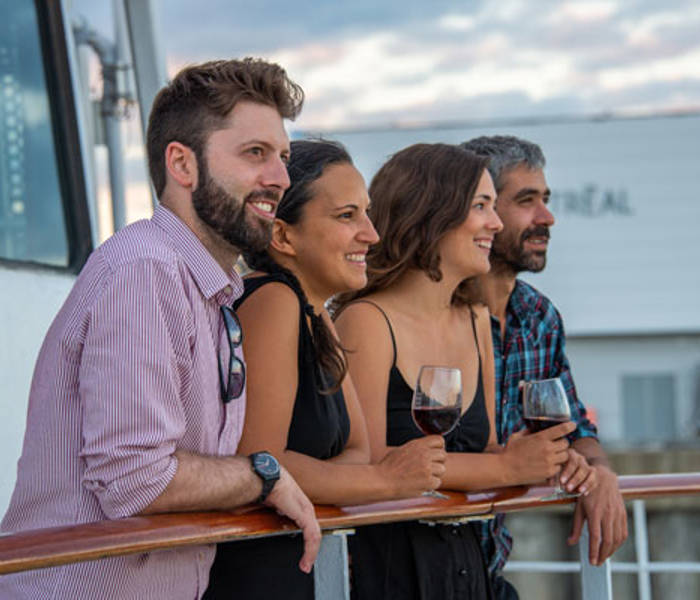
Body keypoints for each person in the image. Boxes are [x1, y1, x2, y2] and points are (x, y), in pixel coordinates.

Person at [0, 58, 321, 599]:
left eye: (283, 157)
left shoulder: (204, 289)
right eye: (255, 154)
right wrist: (262, 475)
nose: (281, 179)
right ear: (183, 164)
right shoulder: (144, 271)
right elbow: (135, 477)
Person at [334, 143, 595, 600]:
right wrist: (511, 466)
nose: (494, 224)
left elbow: (489, 449)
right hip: (391, 574)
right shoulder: (366, 321)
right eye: (481, 207)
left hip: (471, 570)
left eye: (494, 207)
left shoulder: (475, 318)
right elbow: (374, 467)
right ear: (430, 214)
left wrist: (546, 460)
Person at [203, 139, 447, 600]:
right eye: (346, 216)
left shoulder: (318, 316)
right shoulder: (274, 300)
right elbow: (260, 465)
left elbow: (359, 449)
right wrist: (386, 481)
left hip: (298, 566)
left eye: (367, 213)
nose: (371, 234)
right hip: (256, 576)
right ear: (282, 236)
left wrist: (351, 474)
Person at [460, 135, 628, 600]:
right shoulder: (431, 316)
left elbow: (573, 429)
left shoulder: (540, 317)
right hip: (416, 567)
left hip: (489, 571)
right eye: (526, 201)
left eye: (546, 200)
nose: (547, 217)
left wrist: (600, 474)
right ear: (479, 211)